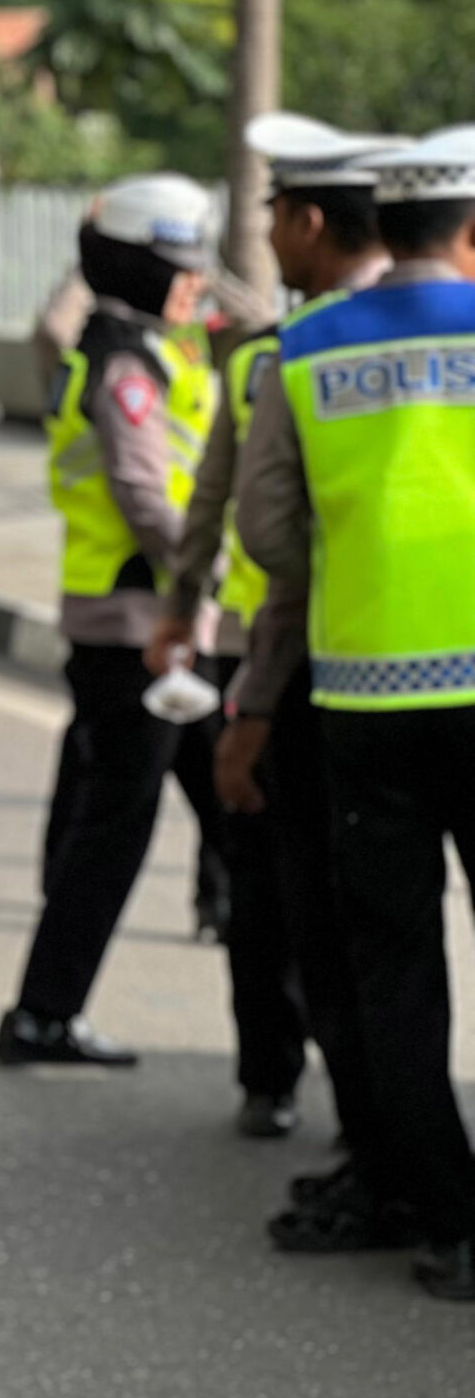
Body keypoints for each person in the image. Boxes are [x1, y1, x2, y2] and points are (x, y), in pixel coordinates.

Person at [238, 124, 475, 1302]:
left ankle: (443, 1212)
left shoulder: (300, 347)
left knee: (394, 965)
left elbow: (268, 538)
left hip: (365, 697)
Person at [144, 116, 396, 1145]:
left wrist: (186, 615)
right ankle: (306, 1088)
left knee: (306, 889)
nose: (268, 241)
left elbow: (235, 515)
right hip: (322, 651)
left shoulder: (304, 352)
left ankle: (352, 1111)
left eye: (275, 219)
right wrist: (177, 608)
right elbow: (210, 496)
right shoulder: (274, 350)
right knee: (300, 891)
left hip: (308, 660)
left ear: (305, 220)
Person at [0, 177, 221, 1067]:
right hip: (143, 626)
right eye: (180, 268)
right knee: (116, 831)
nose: (195, 284)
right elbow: (140, 489)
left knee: (232, 818)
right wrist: (199, 577)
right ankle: (42, 1016)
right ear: (139, 268)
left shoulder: (116, 346)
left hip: (135, 622)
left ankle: (285, 1031)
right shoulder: (127, 365)